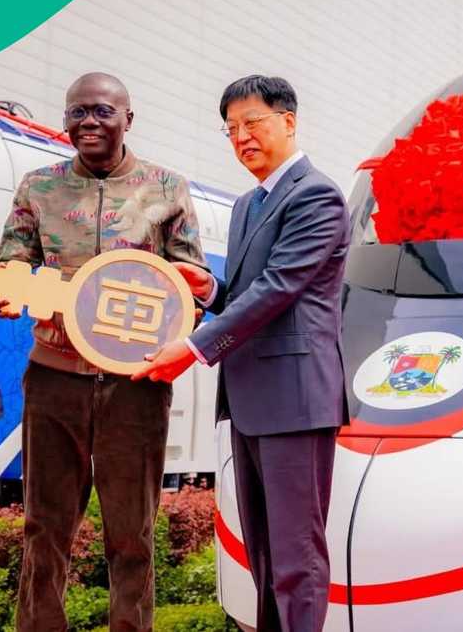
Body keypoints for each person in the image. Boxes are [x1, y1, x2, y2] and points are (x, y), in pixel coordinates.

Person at [0, 72, 207, 632]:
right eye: (77, 112)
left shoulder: (167, 188)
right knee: (44, 529)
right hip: (53, 377)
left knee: (132, 534)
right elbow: (13, 257)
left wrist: (190, 302)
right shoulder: (39, 187)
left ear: (128, 119)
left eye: (103, 111)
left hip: (136, 385)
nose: (88, 122)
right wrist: (7, 283)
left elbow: (193, 281)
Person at [136, 75, 350, 632]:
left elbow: (279, 288)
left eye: (252, 122)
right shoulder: (247, 205)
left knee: (296, 558)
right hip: (252, 399)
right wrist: (210, 290)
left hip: (296, 401)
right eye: (231, 128)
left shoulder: (316, 195)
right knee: (265, 556)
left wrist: (193, 347)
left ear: (288, 121)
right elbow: (251, 295)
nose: (241, 137)